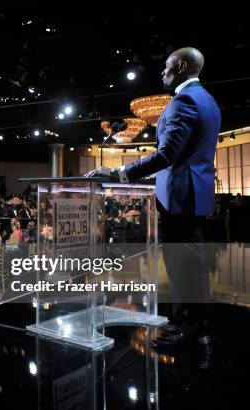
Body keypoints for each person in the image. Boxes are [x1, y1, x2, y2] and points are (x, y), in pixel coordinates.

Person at [88, 47, 220, 350]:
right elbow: (182, 156)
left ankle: (186, 324)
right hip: (193, 193)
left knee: (181, 264)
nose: (163, 71)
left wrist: (120, 173)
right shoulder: (208, 100)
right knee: (192, 264)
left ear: (182, 66)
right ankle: (195, 321)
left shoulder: (183, 100)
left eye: (167, 66)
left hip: (180, 196)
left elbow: (167, 154)